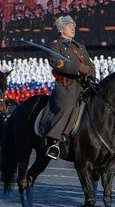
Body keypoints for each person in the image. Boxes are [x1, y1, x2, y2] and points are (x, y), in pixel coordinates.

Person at [41, 16, 96, 159]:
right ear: (61, 30)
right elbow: (57, 63)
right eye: (69, 26)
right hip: (67, 86)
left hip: (84, 84)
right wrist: (78, 68)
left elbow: (90, 65)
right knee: (68, 105)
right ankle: (54, 141)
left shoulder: (80, 47)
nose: (73, 28)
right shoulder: (55, 45)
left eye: (74, 25)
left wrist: (89, 73)